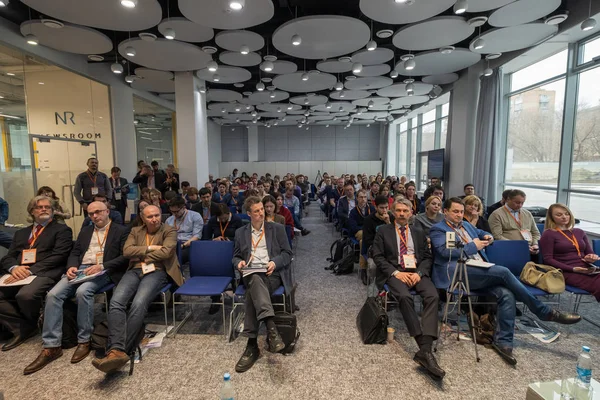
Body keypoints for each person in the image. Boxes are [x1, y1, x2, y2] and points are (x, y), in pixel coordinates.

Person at [430, 198, 581, 365]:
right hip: (456, 272)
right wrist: (474, 247)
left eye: (460, 212)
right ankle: (542, 311)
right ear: (445, 212)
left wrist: (487, 236)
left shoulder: (466, 225)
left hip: (478, 269)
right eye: (455, 212)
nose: (459, 215)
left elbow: (480, 233)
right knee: (502, 272)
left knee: (506, 294)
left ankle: (504, 342)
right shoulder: (438, 229)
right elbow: (445, 253)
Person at [23, 201, 129, 374]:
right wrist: (71, 266)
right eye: (91, 213)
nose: (95, 216)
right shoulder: (86, 231)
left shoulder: (121, 230)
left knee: (83, 291)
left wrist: (102, 266)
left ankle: (84, 340)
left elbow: (124, 257)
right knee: (53, 295)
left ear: (107, 211)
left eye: (98, 212)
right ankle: (52, 345)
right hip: (80, 270)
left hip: (103, 271)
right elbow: (75, 252)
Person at [92, 205, 183, 374]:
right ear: (143, 218)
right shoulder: (135, 231)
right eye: (150, 217)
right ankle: (116, 349)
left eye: (157, 215)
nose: (154, 219)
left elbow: (167, 252)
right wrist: (150, 248)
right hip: (134, 270)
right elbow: (127, 251)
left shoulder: (169, 230)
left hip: (157, 270)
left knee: (138, 303)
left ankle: (121, 350)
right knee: (116, 302)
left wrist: (142, 255)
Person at [372, 199, 444, 380]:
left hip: (416, 272)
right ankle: (424, 347)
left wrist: (420, 272)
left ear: (411, 212)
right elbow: (378, 257)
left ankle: (424, 350)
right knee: (405, 297)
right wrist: (396, 272)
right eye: (399, 210)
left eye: (406, 210)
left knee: (432, 296)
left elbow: (428, 257)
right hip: (395, 272)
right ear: (393, 212)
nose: (402, 214)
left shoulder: (419, 232)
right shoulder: (383, 232)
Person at [0, 196, 73, 351]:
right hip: (19, 273)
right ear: (32, 212)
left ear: (53, 211)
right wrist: (14, 268)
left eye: (48, 207)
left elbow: (59, 256)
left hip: (45, 272)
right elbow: (9, 256)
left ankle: (33, 322)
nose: (44, 209)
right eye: (39, 207)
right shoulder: (21, 233)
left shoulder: (62, 230)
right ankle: (22, 327)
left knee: (25, 296)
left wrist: (29, 271)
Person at [232, 196, 293, 373]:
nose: (262, 212)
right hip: (250, 273)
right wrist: (239, 264)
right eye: (257, 211)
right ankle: (271, 328)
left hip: (271, 273)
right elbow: (235, 256)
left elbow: (287, 254)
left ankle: (252, 345)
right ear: (249, 214)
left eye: (262, 209)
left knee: (253, 289)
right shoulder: (240, 233)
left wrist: (274, 262)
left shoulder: (277, 228)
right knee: (254, 278)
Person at [540, 203, 600, 300]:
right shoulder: (549, 234)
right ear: (551, 218)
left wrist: (591, 258)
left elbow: (590, 253)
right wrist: (573, 269)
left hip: (587, 268)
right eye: (559, 215)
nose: (564, 217)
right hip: (566, 271)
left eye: (566, 213)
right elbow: (547, 259)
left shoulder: (579, 232)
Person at [488, 189, 540, 256]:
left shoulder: (527, 214)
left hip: (530, 248)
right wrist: (518, 246)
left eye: (522, 203)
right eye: (517, 202)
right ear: (508, 200)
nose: (520, 205)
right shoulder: (496, 214)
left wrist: (535, 244)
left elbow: (536, 233)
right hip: (509, 249)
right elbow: (497, 236)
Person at [165, 197, 203, 265]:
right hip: (173, 245)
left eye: (177, 211)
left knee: (177, 256)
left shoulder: (195, 216)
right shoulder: (169, 220)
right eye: (172, 211)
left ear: (184, 208)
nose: (174, 214)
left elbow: (197, 236)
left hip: (188, 245)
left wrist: (183, 246)